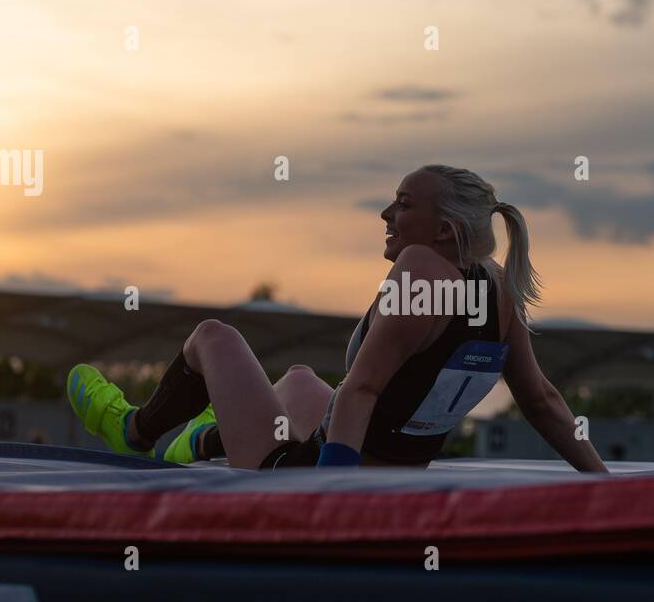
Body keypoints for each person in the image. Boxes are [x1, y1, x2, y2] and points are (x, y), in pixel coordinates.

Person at [67, 165, 609, 472]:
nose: (385, 215)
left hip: (314, 473)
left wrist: (330, 503)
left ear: (444, 231)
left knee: (212, 336)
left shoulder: (420, 269)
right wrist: (605, 484)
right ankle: (209, 439)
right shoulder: (497, 289)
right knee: (300, 379)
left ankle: (133, 430)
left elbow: (362, 391)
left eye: (402, 204)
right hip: (393, 465)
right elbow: (542, 401)